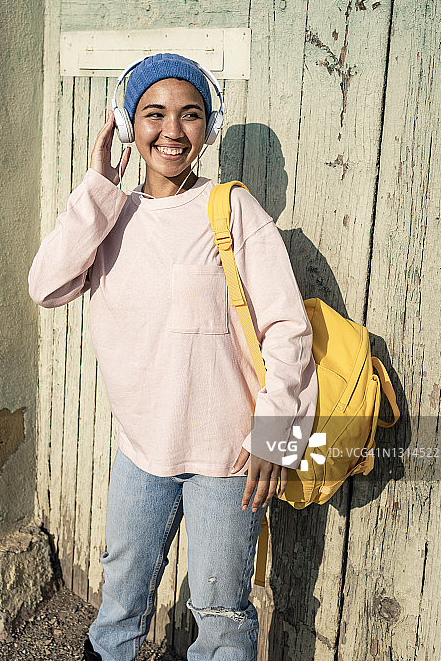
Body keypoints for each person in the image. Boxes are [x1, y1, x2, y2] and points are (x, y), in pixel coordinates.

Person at [28, 53, 318, 661]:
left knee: (222, 613)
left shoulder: (233, 210)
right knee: (120, 605)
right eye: (153, 113)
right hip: (141, 452)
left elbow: (289, 330)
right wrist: (99, 188)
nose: (171, 130)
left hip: (228, 458)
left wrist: (278, 439)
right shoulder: (111, 217)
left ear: (206, 128)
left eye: (189, 116)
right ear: (128, 123)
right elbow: (46, 286)